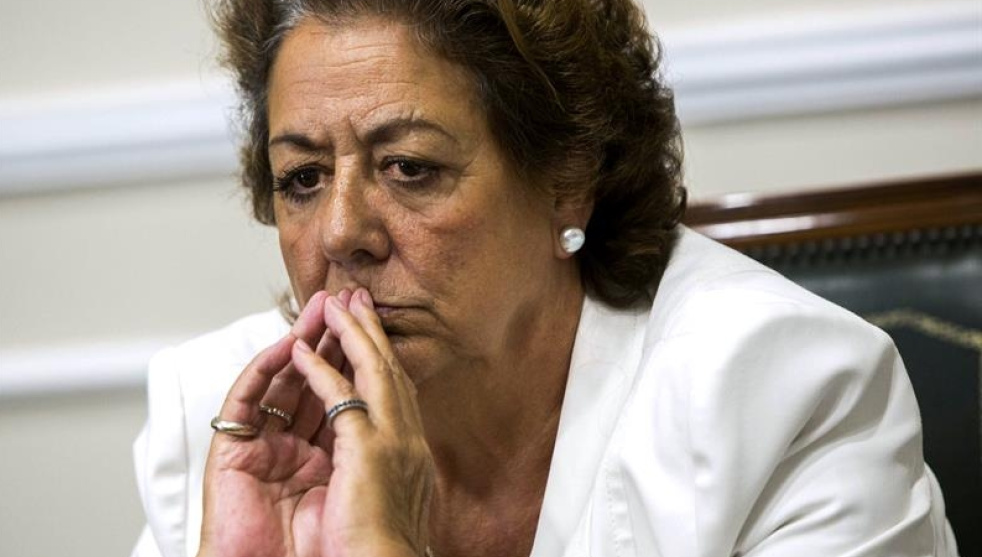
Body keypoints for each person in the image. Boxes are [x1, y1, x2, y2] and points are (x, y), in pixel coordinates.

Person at [131, 1, 958, 556]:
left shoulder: (779, 393)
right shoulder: (227, 425)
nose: (342, 231)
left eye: (409, 166)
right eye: (303, 178)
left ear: (567, 180)